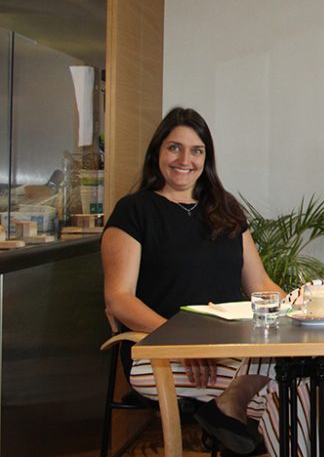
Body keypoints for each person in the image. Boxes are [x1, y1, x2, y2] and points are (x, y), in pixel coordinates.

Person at [102, 107, 308, 456]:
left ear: (206, 159)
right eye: (174, 148)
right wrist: (182, 344)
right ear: (157, 153)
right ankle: (229, 409)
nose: (185, 159)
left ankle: (230, 406)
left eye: (196, 150)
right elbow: (119, 299)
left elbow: (259, 284)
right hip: (161, 354)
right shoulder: (135, 210)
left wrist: (296, 309)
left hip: (229, 350)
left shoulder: (225, 209)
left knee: (301, 367)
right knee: (290, 384)